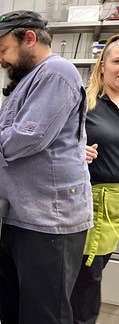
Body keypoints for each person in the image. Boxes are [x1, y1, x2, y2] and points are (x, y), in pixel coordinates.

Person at [0, 10, 92, 323]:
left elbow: (29, 138)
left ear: (29, 38)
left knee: (44, 315)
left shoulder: (56, 72)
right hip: (20, 216)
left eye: (3, 49)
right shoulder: (28, 80)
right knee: (15, 311)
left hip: (47, 222)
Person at [71, 34, 119, 324]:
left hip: (116, 208)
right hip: (93, 205)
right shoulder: (86, 103)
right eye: (117, 61)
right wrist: (77, 151)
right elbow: (59, 145)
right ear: (102, 65)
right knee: (87, 283)